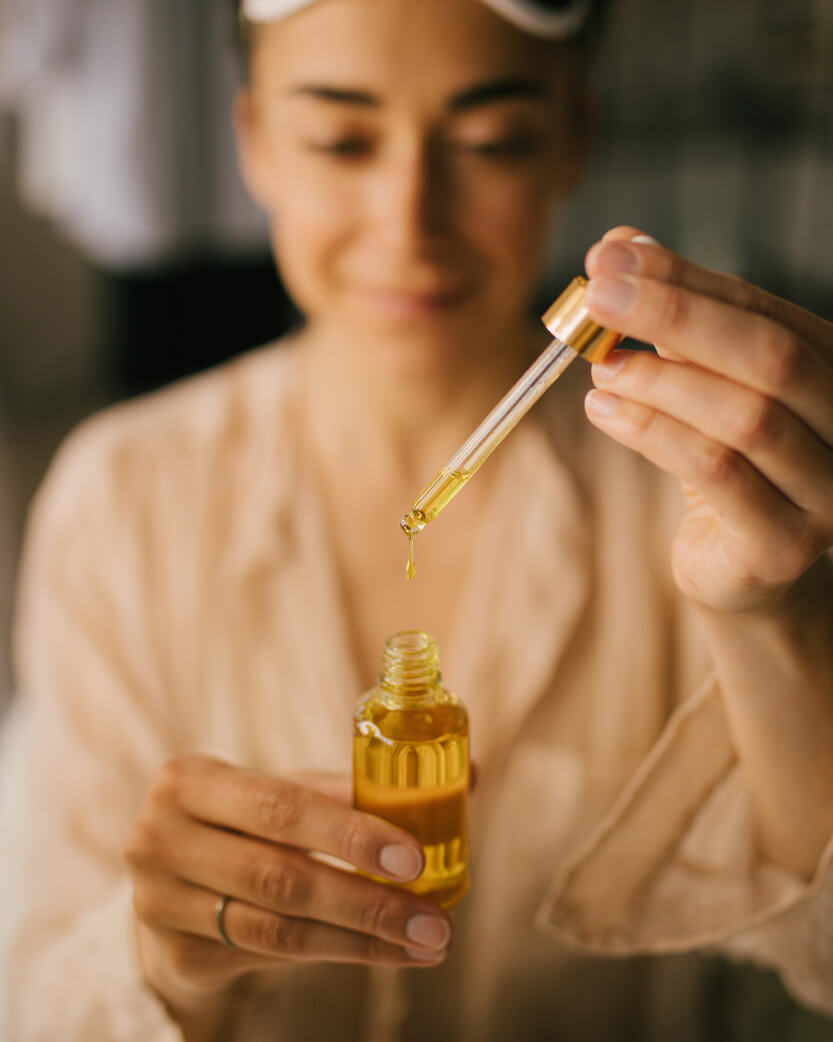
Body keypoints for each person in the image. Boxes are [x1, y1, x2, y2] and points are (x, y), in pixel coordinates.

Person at [4, 0, 833, 1039]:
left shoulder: (709, 497)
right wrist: (157, 961)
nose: (408, 221)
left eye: (489, 142)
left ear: (570, 135)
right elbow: (36, 1003)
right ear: (254, 139)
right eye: (342, 140)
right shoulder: (122, 499)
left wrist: (777, 626)